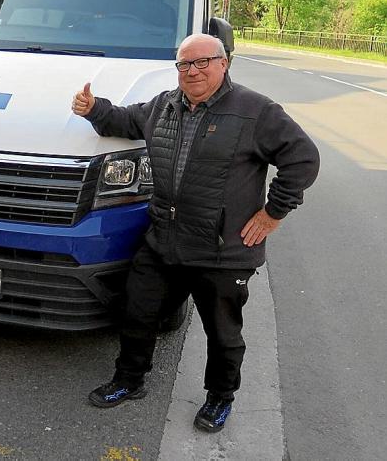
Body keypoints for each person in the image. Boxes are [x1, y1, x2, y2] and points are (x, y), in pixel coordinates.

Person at [71, 33, 320, 432]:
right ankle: (129, 379)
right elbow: (123, 119)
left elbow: (303, 159)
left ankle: (220, 397)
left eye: (202, 62)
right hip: (164, 241)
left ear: (224, 63)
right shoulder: (163, 106)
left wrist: (273, 214)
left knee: (222, 333)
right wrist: (92, 108)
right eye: (184, 64)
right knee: (138, 312)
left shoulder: (255, 111)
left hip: (222, 251)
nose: (193, 71)